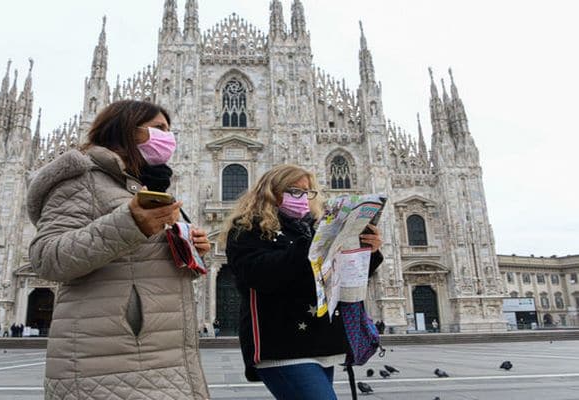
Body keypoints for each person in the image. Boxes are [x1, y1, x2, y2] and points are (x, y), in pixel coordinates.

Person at [27, 100, 210, 399]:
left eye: (169, 130)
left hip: (164, 352)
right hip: (107, 357)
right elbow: (46, 257)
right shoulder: (83, 179)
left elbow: (139, 262)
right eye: (159, 129)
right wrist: (130, 224)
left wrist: (192, 250)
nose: (169, 138)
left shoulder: (148, 186)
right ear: (127, 131)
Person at [223, 164, 383, 400]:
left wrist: (366, 251)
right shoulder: (247, 229)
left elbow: (336, 280)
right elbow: (258, 274)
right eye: (294, 191)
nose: (303, 198)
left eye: (307, 192)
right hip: (281, 344)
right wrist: (315, 243)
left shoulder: (311, 227)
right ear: (272, 192)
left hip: (320, 341)